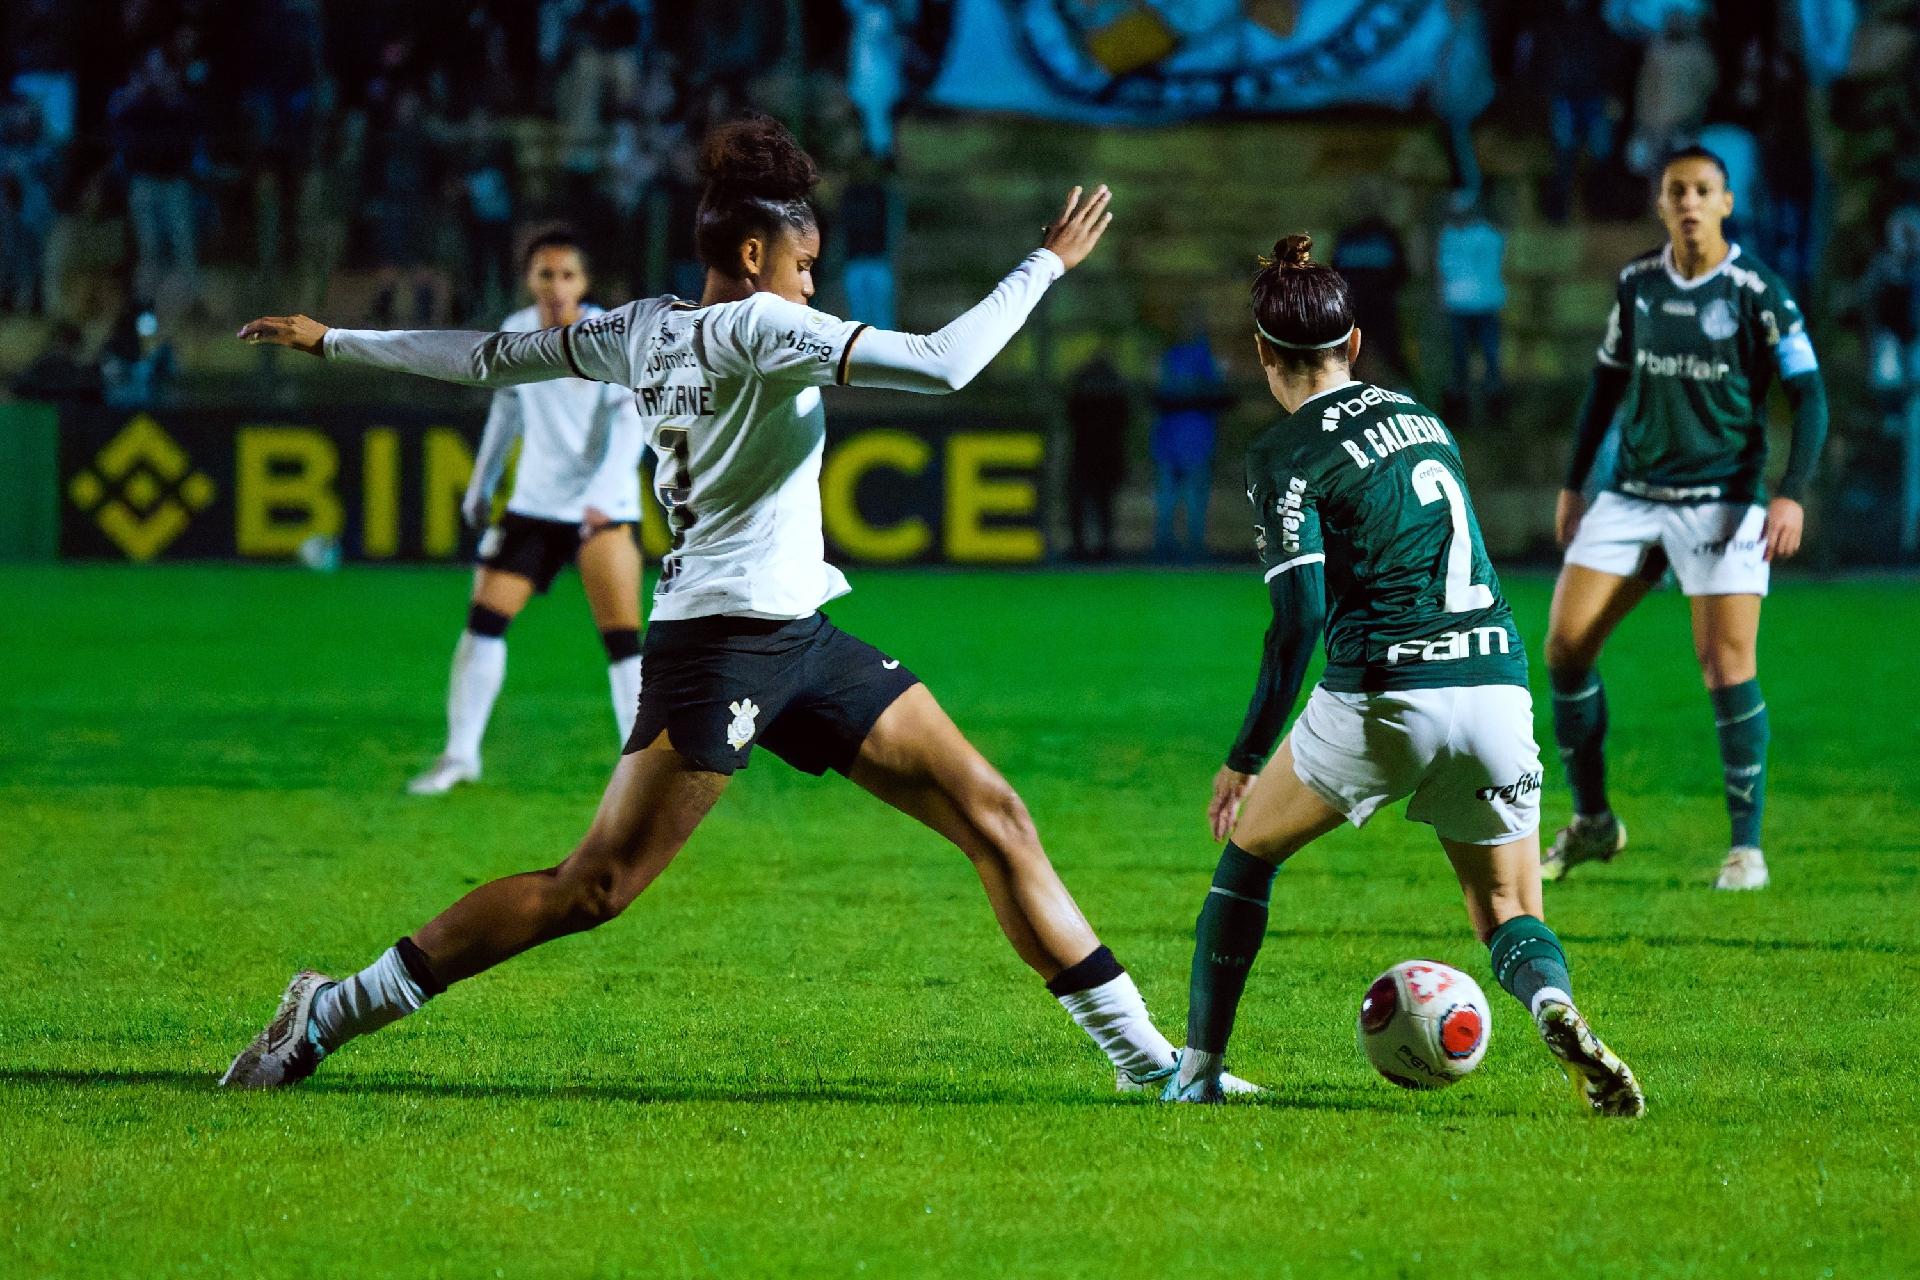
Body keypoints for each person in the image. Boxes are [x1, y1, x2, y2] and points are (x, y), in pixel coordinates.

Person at [222, 115, 1240, 1099]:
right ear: (755, 254)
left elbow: (488, 358)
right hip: (721, 650)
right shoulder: (763, 326)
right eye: (805, 265)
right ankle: (327, 1012)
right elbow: (944, 362)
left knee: (996, 813)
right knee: (593, 886)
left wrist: (336, 340)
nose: (813, 284)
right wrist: (1046, 263)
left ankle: (1152, 1062)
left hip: (804, 633)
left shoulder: (638, 329)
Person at [1157, 234, 1644, 1115]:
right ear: (1352, 346)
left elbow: (1299, 619)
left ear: (1262, 353)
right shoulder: (1420, 414)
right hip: (1495, 684)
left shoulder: (1281, 458)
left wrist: (1243, 756)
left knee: (1248, 856)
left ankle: (1194, 1073)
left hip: (1384, 694)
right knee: (1504, 908)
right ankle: (1550, 1002)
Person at [1545, 146, 1828, 892]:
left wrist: (1790, 491)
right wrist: (1576, 486)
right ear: (1661, 203)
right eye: (1678, 191)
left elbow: (1810, 395)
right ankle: (1595, 822)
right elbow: (1605, 387)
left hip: (1722, 504)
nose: (1691, 202)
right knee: (1565, 649)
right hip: (1633, 495)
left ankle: (1745, 849)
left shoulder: (1757, 290)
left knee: (1726, 666)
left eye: (1704, 190)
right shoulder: (1637, 284)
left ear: (1726, 203)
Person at [406, 231, 649, 797]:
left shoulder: (610, 336)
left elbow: (629, 423)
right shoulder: (516, 332)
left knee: (622, 641)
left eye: (567, 275)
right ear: (529, 279)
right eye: (545, 274)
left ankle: (638, 771)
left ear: (585, 283)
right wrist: (481, 483)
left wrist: (604, 492)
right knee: (484, 622)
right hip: (534, 506)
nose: (556, 286)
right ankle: (460, 755)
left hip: (602, 511)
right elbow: (506, 409)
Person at [1151, 321, 1230, 560]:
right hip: (1178, 442)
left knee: (1185, 499)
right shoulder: (1183, 358)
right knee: (1174, 499)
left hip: (1189, 442)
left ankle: (1185, 548)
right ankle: (1174, 548)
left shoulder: (1196, 358)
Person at [1436, 187, 1506, 423]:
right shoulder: (1486, 234)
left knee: (1480, 360)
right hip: (1471, 305)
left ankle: (1487, 409)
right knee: (1468, 361)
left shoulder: (1461, 235)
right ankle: (1470, 410)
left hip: (1476, 305)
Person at [1063, 349, 1129, 560]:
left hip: (1088, 455)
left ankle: (1084, 546)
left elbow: (1071, 413)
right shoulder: (1115, 392)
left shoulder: (1082, 392)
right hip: (1104, 455)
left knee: (1086, 502)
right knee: (1102, 504)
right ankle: (1101, 546)